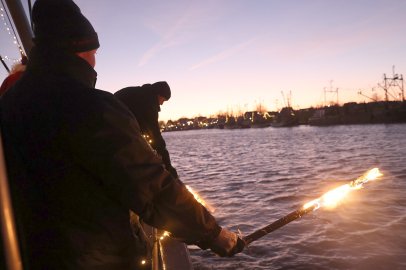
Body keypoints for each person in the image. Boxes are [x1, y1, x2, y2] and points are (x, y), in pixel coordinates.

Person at [0, 0, 244, 269]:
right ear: (81, 50)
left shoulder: (9, 103)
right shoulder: (91, 107)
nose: (95, 62)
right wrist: (214, 235)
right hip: (91, 259)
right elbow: (151, 189)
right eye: (94, 52)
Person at [114, 82, 179, 178]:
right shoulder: (148, 104)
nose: (162, 104)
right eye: (163, 100)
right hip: (117, 128)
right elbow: (155, 135)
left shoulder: (140, 94)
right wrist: (168, 167)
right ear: (158, 94)